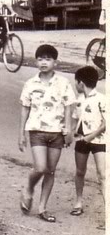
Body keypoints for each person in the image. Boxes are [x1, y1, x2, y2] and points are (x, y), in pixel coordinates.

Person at [19, 44, 76, 223]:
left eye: (48, 59)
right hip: (36, 131)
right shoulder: (30, 84)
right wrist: (21, 134)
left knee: (50, 171)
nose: (43, 62)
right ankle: (28, 189)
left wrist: (67, 131)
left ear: (55, 63)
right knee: (40, 168)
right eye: (40, 59)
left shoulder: (63, 83)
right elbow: (24, 110)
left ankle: (43, 207)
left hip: (57, 133)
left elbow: (68, 107)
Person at [70, 65, 105, 218]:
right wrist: (69, 135)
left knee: (103, 174)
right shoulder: (78, 101)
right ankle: (78, 202)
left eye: (76, 82)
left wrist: (91, 136)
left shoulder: (102, 99)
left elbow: (106, 124)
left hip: (100, 141)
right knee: (80, 171)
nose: (75, 85)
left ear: (81, 83)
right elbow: (74, 121)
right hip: (81, 140)